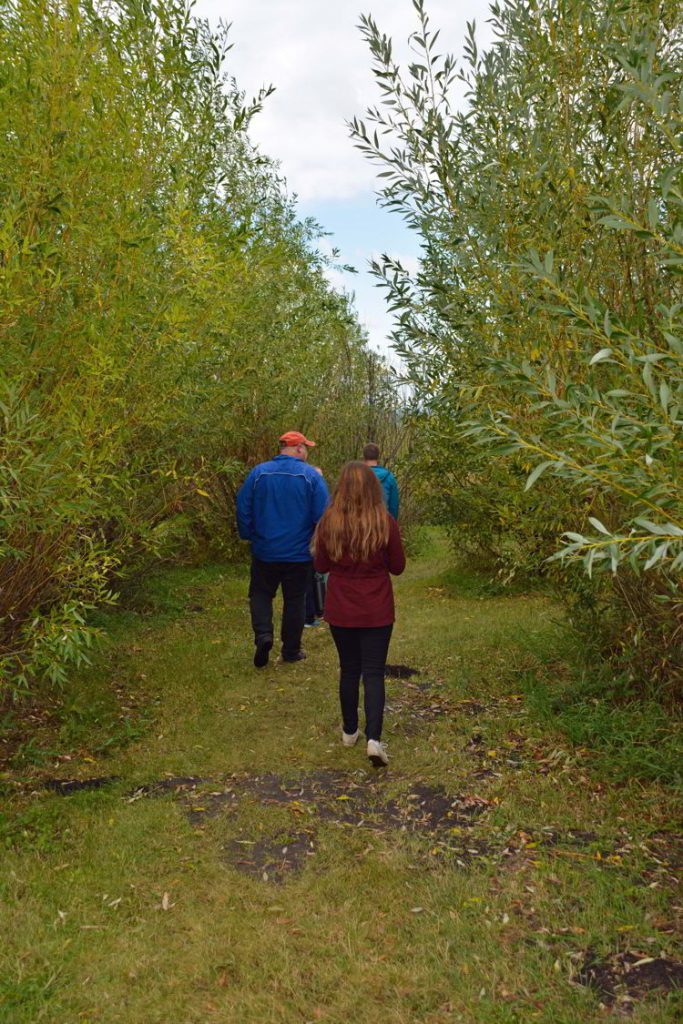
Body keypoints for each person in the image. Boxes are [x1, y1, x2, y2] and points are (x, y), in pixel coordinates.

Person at [313, 461, 406, 767]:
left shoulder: (329, 521)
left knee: (349, 669)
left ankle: (349, 730)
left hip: (341, 607)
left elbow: (321, 566)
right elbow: (398, 566)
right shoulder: (385, 521)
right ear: (373, 487)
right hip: (376, 607)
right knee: (374, 672)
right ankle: (374, 739)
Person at [236, 431, 329, 668]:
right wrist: (319, 545)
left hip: (265, 550)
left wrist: (248, 534)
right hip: (298, 554)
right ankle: (290, 650)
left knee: (260, 594)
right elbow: (323, 515)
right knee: (295, 600)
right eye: (306, 448)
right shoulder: (311, 477)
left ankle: (264, 635)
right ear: (297, 448)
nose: (307, 452)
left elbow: (243, 505)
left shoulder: (258, 473)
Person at [363, 443, 399, 519]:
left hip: (361, 522)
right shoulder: (389, 477)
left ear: (364, 457)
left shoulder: (357, 476)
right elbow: (393, 506)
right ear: (378, 457)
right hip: (382, 521)